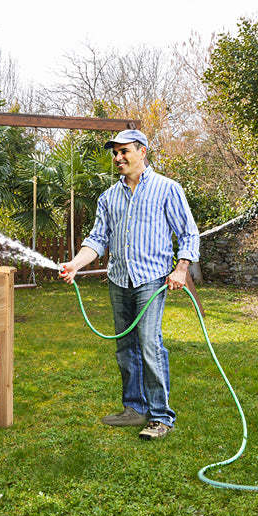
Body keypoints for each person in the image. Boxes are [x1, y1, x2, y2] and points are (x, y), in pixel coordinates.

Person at [60, 129, 199, 440]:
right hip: (119, 279)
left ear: (142, 152)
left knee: (149, 344)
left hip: (151, 279)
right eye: (115, 153)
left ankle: (161, 416)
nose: (118, 158)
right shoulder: (108, 197)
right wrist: (75, 265)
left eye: (124, 151)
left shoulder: (167, 189)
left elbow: (188, 233)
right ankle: (134, 409)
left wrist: (181, 269)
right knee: (125, 348)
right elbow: (97, 240)